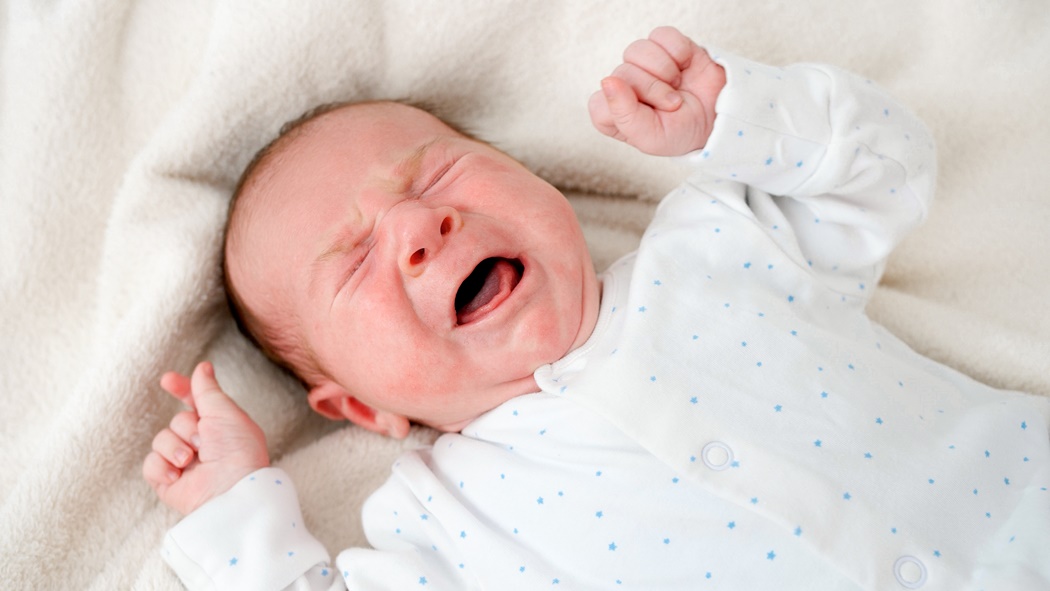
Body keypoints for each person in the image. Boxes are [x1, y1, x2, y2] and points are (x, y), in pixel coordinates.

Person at [144, 26, 1050, 590]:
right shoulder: (442, 524)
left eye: (437, 172)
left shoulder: (710, 247)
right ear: (360, 409)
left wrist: (739, 117)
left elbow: (887, 173)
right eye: (352, 262)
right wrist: (234, 510)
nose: (421, 226)